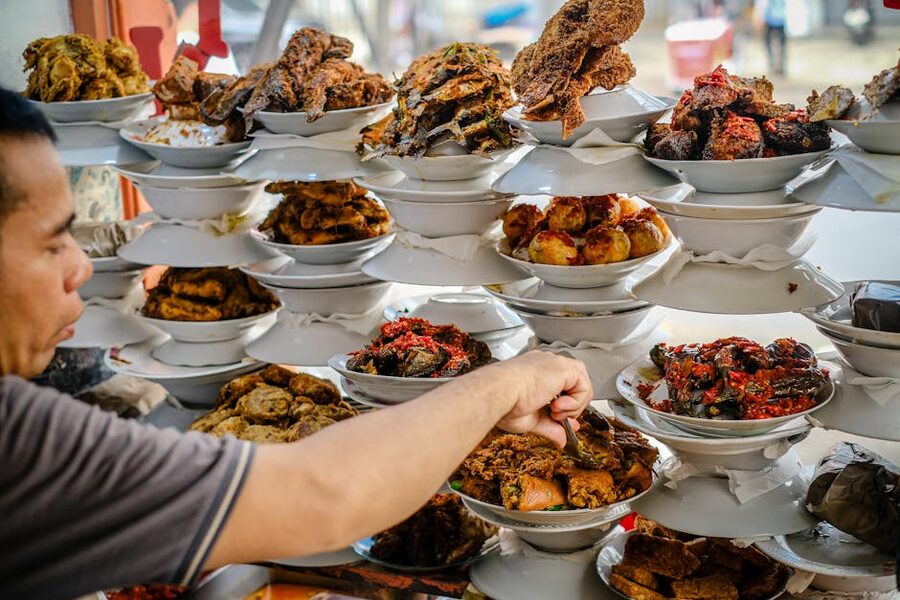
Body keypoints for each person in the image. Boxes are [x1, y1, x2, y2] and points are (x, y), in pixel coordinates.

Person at [0, 87, 593, 599]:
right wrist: (508, 380)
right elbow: (323, 494)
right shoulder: (18, 445)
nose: (81, 265)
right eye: (53, 243)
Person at [759, 0, 787, 75]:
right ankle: (776, 67)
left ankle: (776, 66)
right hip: (778, 21)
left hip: (772, 21)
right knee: (779, 47)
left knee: (772, 46)